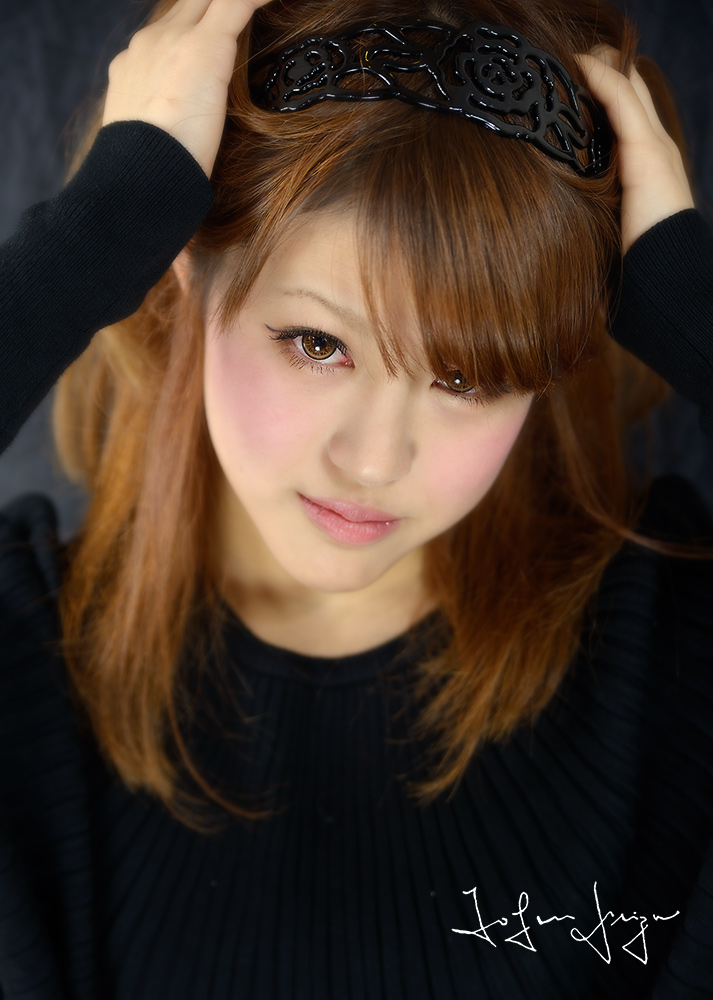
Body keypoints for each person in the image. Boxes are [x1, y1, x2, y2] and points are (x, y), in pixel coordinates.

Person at [0, 0, 711, 997]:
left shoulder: (668, 650)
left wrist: (684, 296)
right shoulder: (25, 660)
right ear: (184, 261)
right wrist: (97, 231)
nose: (374, 462)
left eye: (468, 377)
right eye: (316, 343)